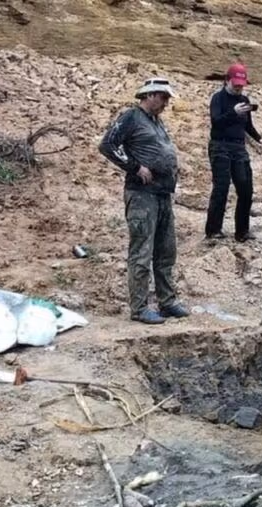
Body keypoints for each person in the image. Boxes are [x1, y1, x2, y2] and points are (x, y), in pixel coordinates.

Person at [99, 77, 189, 324]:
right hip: (142, 195)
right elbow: (107, 144)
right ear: (150, 95)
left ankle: (167, 301)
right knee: (142, 252)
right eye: (163, 98)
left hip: (161, 194)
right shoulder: (131, 117)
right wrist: (135, 167)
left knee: (165, 250)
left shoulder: (155, 121)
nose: (166, 103)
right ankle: (139, 308)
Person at [204, 63, 262, 243]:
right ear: (227, 81)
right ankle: (213, 230)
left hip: (238, 147)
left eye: (241, 85)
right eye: (235, 84)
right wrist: (232, 112)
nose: (238, 88)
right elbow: (216, 122)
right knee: (221, 187)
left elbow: (248, 126)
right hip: (220, 145)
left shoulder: (243, 100)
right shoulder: (217, 98)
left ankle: (242, 231)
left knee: (246, 188)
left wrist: (260, 139)